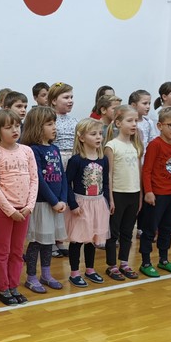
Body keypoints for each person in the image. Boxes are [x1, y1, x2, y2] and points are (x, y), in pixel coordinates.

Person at [0, 109, 38, 306]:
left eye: (17, 126)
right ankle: (3, 288)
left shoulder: (27, 151)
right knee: (2, 251)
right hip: (4, 211)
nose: (15, 130)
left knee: (17, 250)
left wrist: (29, 206)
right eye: (8, 127)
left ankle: (14, 286)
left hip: (24, 210)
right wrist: (11, 211)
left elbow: (34, 179)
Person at [20, 106, 68, 293]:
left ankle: (46, 274)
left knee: (49, 241)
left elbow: (62, 176)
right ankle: (31, 277)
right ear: (37, 127)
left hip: (56, 204)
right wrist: (54, 201)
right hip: (41, 204)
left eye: (54, 123)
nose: (54, 127)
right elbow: (38, 180)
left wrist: (62, 199)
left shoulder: (54, 149)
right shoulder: (33, 150)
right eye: (49, 124)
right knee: (37, 242)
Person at [63, 118, 110, 287]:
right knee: (77, 240)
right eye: (93, 134)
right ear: (82, 138)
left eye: (100, 134)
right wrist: (73, 204)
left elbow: (105, 182)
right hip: (81, 205)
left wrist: (108, 201)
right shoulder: (76, 160)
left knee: (92, 238)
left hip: (98, 204)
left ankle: (90, 269)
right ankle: (74, 273)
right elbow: (67, 183)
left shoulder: (103, 159)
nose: (98, 137)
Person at [138, 106, 171, 277]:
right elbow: (147, 170)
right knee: (150, 229)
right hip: (157, 195)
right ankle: (145, 262)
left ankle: (163, 260)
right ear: (160, 126)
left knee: (167, 228)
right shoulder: (155, 145)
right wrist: (149, 192)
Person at [103, 105, 144, 281]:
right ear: (118, 123)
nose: (134, 124)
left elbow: (139, 173)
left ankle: (124, 263)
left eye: (136, 120)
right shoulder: (111, 146)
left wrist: (140, 196)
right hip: (118, 194)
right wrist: (111, 198)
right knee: (113, 232)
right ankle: (112, 265)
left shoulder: (136, 145)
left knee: (128, 231)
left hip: (133, 194)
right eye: (129, 120)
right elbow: (109, 175)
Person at [48, 82, 77, 257]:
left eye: (72, 97)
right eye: (66, 97)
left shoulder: (74, 121)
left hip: (71, 161)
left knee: (66, 200)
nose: (70, 100)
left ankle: (60, 239)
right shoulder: (50, 119)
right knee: (55, 199)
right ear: (53, 100)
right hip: (55, 162)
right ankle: (50, 241)